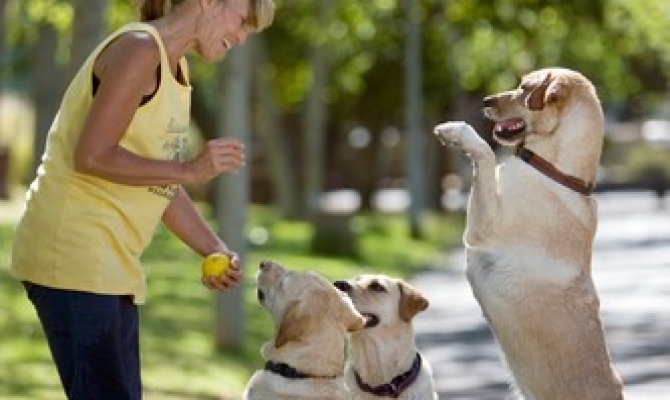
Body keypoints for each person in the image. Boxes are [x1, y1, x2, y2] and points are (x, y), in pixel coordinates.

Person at [9, 0, 275, 398]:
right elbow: (92, 155)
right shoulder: (140, 50)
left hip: (111, 263)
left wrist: (213, 248)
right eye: (241, 22)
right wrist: (190, 170)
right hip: (72, 253)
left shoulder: (175, 69)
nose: (240, 38)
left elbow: (156, 181)